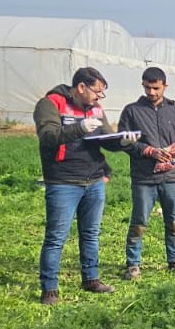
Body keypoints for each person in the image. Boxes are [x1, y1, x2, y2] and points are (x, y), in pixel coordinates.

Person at [33, 67, 139, 305]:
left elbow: (106, 139)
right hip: (63, 181)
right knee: (56, 237)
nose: (99, 97)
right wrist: (79, 128)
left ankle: (90, 278)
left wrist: (122, 141)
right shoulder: (50, 104)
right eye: (97, 91)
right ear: (81, 87)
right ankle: (49, 288)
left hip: (94, 180)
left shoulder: (95, 109)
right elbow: (48, 137)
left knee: (91, 234)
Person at [118, 67, 175, 280]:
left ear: (165, 86)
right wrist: (148, 151)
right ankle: (133, 264)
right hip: (144, 177)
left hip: (172, 177)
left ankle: (174, 260)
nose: (151, 92)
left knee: (173, 221)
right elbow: (124, 141)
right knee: (139, 221)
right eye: (147, 87)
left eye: (156, 88)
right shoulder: (132, 111)